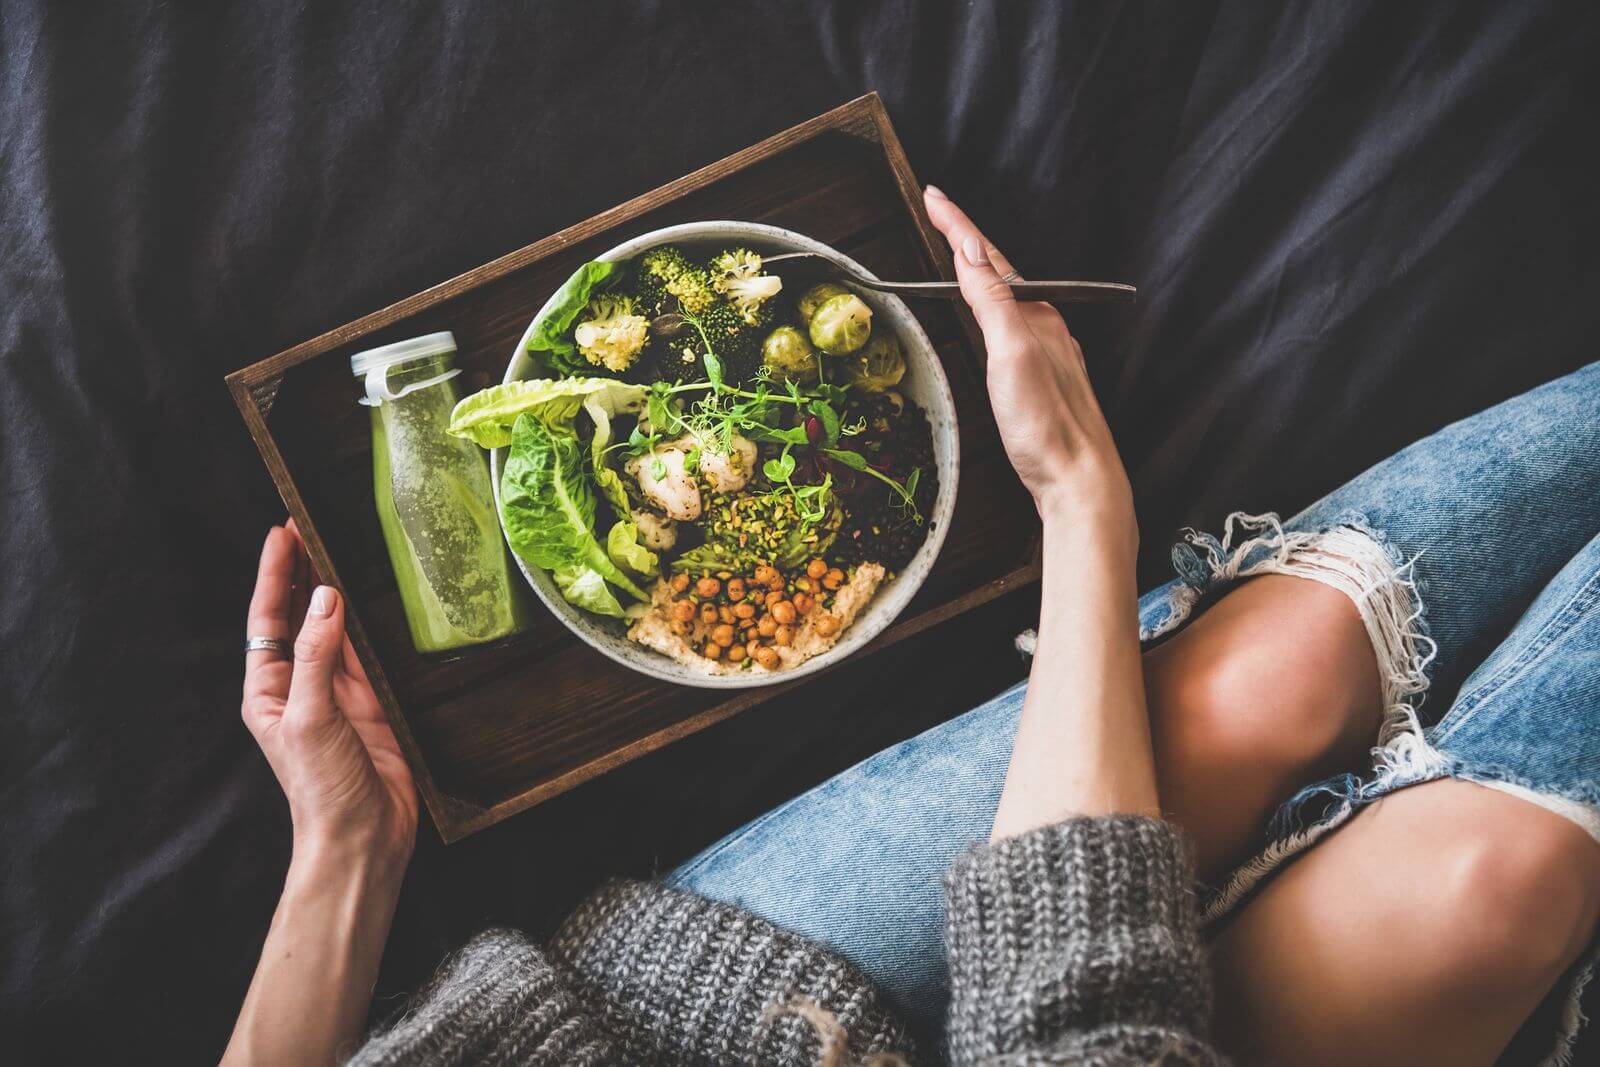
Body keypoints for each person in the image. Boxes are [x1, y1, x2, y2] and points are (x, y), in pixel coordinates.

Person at [223, 188, 1600, 1067]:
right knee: (1492, 887)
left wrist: (343, 856)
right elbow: (1080, 1028)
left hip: (685, 1024)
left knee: (1269, 679)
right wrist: (1078, 506)